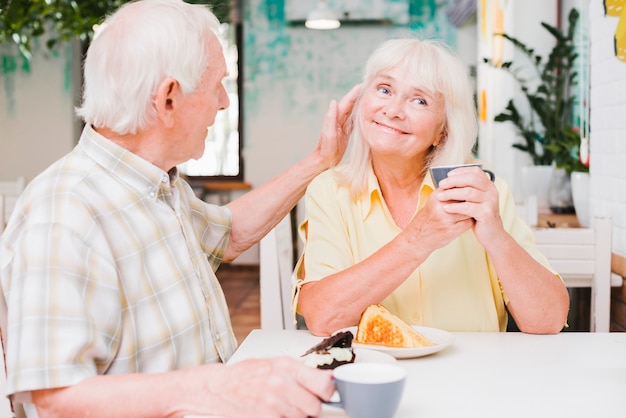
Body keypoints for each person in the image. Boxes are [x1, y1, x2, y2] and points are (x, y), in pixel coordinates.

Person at [0, 0, 358, 417]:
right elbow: (58, 400)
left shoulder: (156, 184)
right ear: (168, 99)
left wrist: (320, 160)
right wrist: (221, 385)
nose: (224, 102)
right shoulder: (62, 214)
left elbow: (232, 232)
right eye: (216, 86)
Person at [294, 38, 570, 337]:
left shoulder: (483, 193)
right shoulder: (329, 191)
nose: (394, 110)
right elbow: (323, 318)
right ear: (363, 102)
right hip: (373, 376)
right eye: (384, 90)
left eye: (419, 100)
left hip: (473, 376)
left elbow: (549, 321)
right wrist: (417, 240)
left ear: (443, 130)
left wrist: (498, 239)